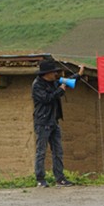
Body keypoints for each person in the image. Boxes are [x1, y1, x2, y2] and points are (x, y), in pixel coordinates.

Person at [32, 60, 83, 188]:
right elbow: (46, 99)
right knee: (41, 152)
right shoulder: (37, 85)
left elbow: (69, 80)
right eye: (53, 72)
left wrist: (79, 74)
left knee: (58, 151)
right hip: (43, 122)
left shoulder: (54, 81)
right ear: (46, 73)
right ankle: (40, 179)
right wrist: (60, 90)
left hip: (54, 121)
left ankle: (60, 178)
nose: (56, 74)